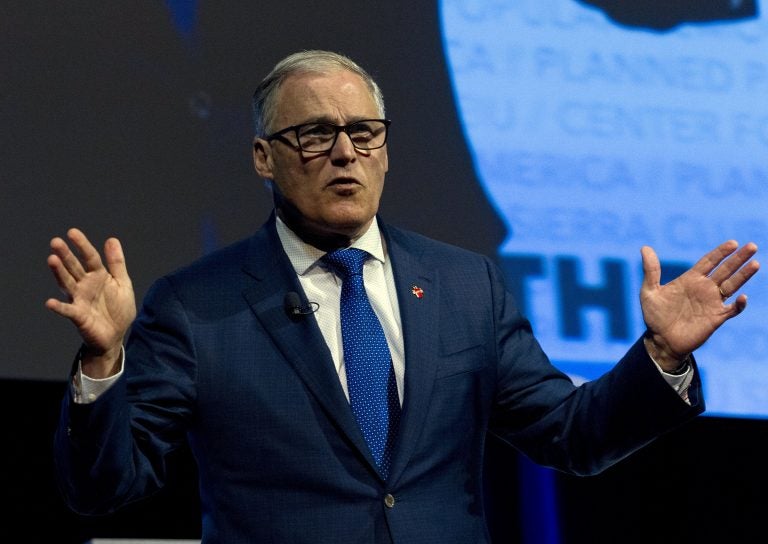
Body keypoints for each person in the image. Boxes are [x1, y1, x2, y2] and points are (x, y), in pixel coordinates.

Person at [47, 50, 759, 544]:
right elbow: (106, 487)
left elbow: (571, 434)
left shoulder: (465, 286)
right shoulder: (197, 306)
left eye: (363, 132)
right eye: (315, 134)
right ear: (263, 157)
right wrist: (104, 362)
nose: (345, 153)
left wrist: (660, 354)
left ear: (385, 148)